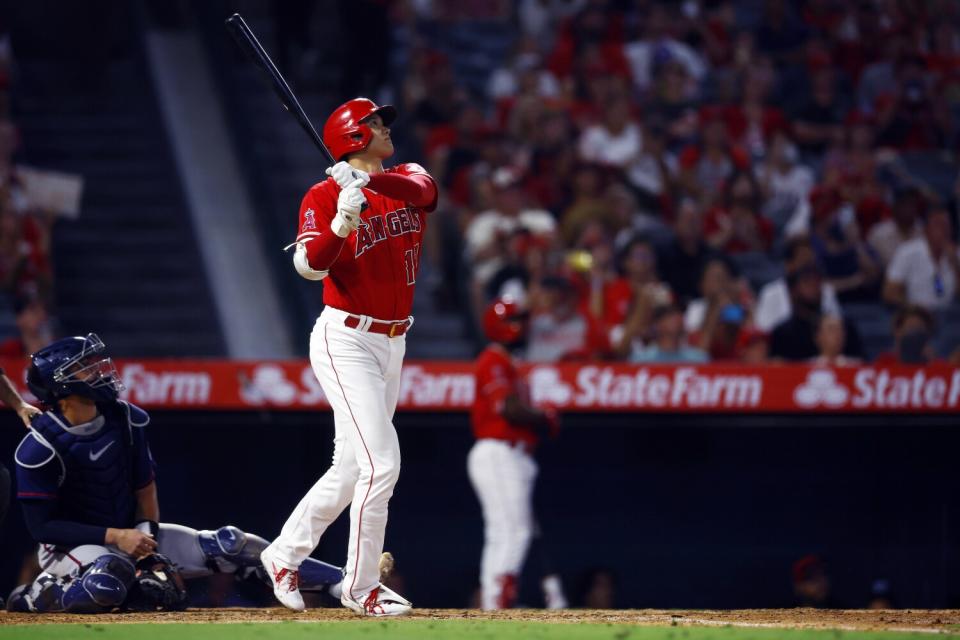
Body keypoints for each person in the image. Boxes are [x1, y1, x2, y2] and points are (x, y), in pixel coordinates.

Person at [8, 334, 346, 613]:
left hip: (132, 533)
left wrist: (145, 541)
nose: (97, 372)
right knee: (110, 580)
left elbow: (145, 490)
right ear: (60, 388)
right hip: (72, 548)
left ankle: (341, 581)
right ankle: (39, 595)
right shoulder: (38, 448)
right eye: (82, 368)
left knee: (230, 544)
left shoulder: (126, 418)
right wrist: (117, 538)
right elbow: (43, 528)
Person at [264, 97, 437, 616]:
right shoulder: (322, 194)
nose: (384, 128)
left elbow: (424, 192)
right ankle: (360, 588)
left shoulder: (404, 175)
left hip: (394, 340)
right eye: (374, 123)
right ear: (352, 137)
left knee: (349, 468)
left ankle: (283, 554)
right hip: (347, 339)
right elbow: (309, 268)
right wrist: (342, 219)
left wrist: (368, 185)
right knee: (382, 464)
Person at [468, 298, 565, 610]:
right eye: (516, 320)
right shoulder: (493, 359)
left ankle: (494, 603)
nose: (522, 326)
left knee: (501, 532)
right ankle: (501, 597)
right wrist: (543, 416)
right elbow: (509, 410)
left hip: (512, 455)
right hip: (499, 452)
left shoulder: (511, 364)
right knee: (515, 531)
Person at [883, 209, 960, 311]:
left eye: (946, 225)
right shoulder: (907, 251)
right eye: (938, 224)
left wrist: (955, 264)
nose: (943, 230)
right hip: (916, 313)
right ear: (926, 229)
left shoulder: (957, 253)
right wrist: (913, 309)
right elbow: (890, 293)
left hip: (951, 316)